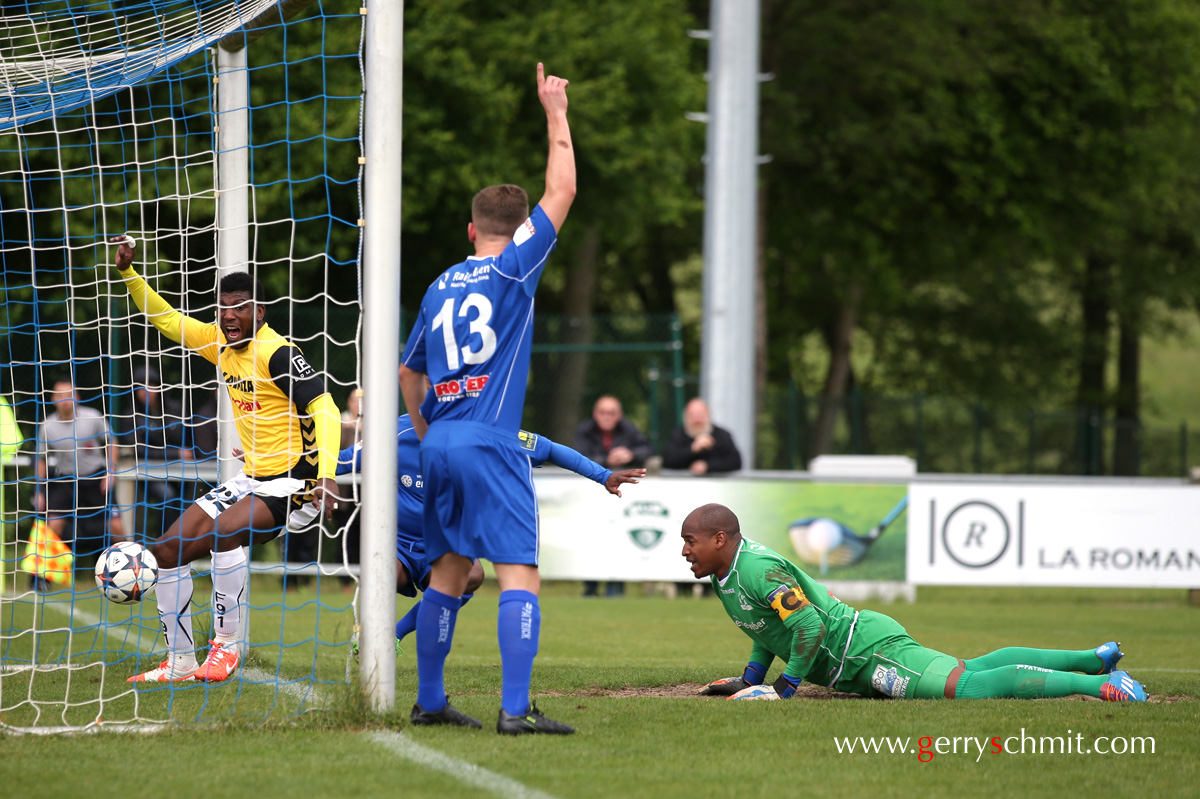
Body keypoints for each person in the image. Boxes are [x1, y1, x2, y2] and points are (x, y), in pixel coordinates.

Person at [398, 63, 576, 734]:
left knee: (448, 567)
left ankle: (433, 700)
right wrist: (553, 109)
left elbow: (407, 373)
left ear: (470, 229)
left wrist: (425, 428)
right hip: (487, 439)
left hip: (438, 438)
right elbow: (564, 185)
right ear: (514, 229)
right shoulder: (513, 265)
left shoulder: (443, 281)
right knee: (518, 571)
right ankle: (514, 710)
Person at [105, 235, 341, 683]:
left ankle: (226, 647)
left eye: (240, 306)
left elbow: (325, 407)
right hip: (251, 477)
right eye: (224, 307)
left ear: (260, 311)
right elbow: (169, 321)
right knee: (166, 549)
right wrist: (128, 273)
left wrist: (324, 476)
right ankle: (179, 660)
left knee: (222, 533)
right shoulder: (220, 342)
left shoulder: (277, 352)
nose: (230, 315)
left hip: (294, 483)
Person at [681, 503, 1148, 703]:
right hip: (860, 653)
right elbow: (767, 628)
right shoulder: (729, 573)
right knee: (972, 667)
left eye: (691, 541)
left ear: (720, 539)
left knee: (966, 689)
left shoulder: (758, 570)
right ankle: (1094, 659)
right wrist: (750, 679)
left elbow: (808, 628)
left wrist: (784, 688)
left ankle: (1102, 686)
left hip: (866, 652)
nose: (685, 551)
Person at [337, 415, 643, 650]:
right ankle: (368, 631)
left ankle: (395, 634)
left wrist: (603, 475)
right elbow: (340, 462)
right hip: (397, 541)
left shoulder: (486, 431)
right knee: (383, 572)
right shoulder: (394, 431)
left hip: (446, 542)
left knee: (471, 577)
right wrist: (302, 471)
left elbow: (549, 449)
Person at [34, 375, 128, 565]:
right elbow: (41, 460)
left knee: (116, 527)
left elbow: (112, 442)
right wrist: (39, 491)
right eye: (59, 396)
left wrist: (111, 471)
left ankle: (132, 569)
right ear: (52, 399)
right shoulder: (47, 427)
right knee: (53, 525)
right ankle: (41, 578)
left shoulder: (92, 417)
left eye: (68, 395)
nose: (64, 400)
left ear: (76, 397)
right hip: (67, 480)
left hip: (96, 478)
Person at [574, 395, 650, 598]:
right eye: (603, 412)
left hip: (621, 495)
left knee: (619, 538)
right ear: (595, 414)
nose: (607, 417)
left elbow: (646, 448)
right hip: (590, 492)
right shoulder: (584, 430)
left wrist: (630, 455)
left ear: (620, 415)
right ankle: (590, 586)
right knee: (591, 539)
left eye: (612, 413)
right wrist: (606, 460)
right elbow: (577, 456)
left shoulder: (629, 429)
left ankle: (615, 586)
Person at [117, 365, 190, 538]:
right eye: (141, 386)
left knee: (187, 500)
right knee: (169, 497)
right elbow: (140, 451)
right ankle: (165, 544)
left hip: (181, 471)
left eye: (151, 385)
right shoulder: (129, 417)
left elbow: (187, 442)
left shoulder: (176, 409)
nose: (146, 391)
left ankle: (180, 546)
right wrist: (176, 453)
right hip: (147, 473)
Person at [662, 398, 742, 475]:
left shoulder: (722, 436)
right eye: (692, 416)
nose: (697, 420)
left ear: (708, 416)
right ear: (685, 418)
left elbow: (735, 462)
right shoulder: (676, 435)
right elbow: (668, 461)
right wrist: (692, 449)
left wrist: (708, 466)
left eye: (700, 415)